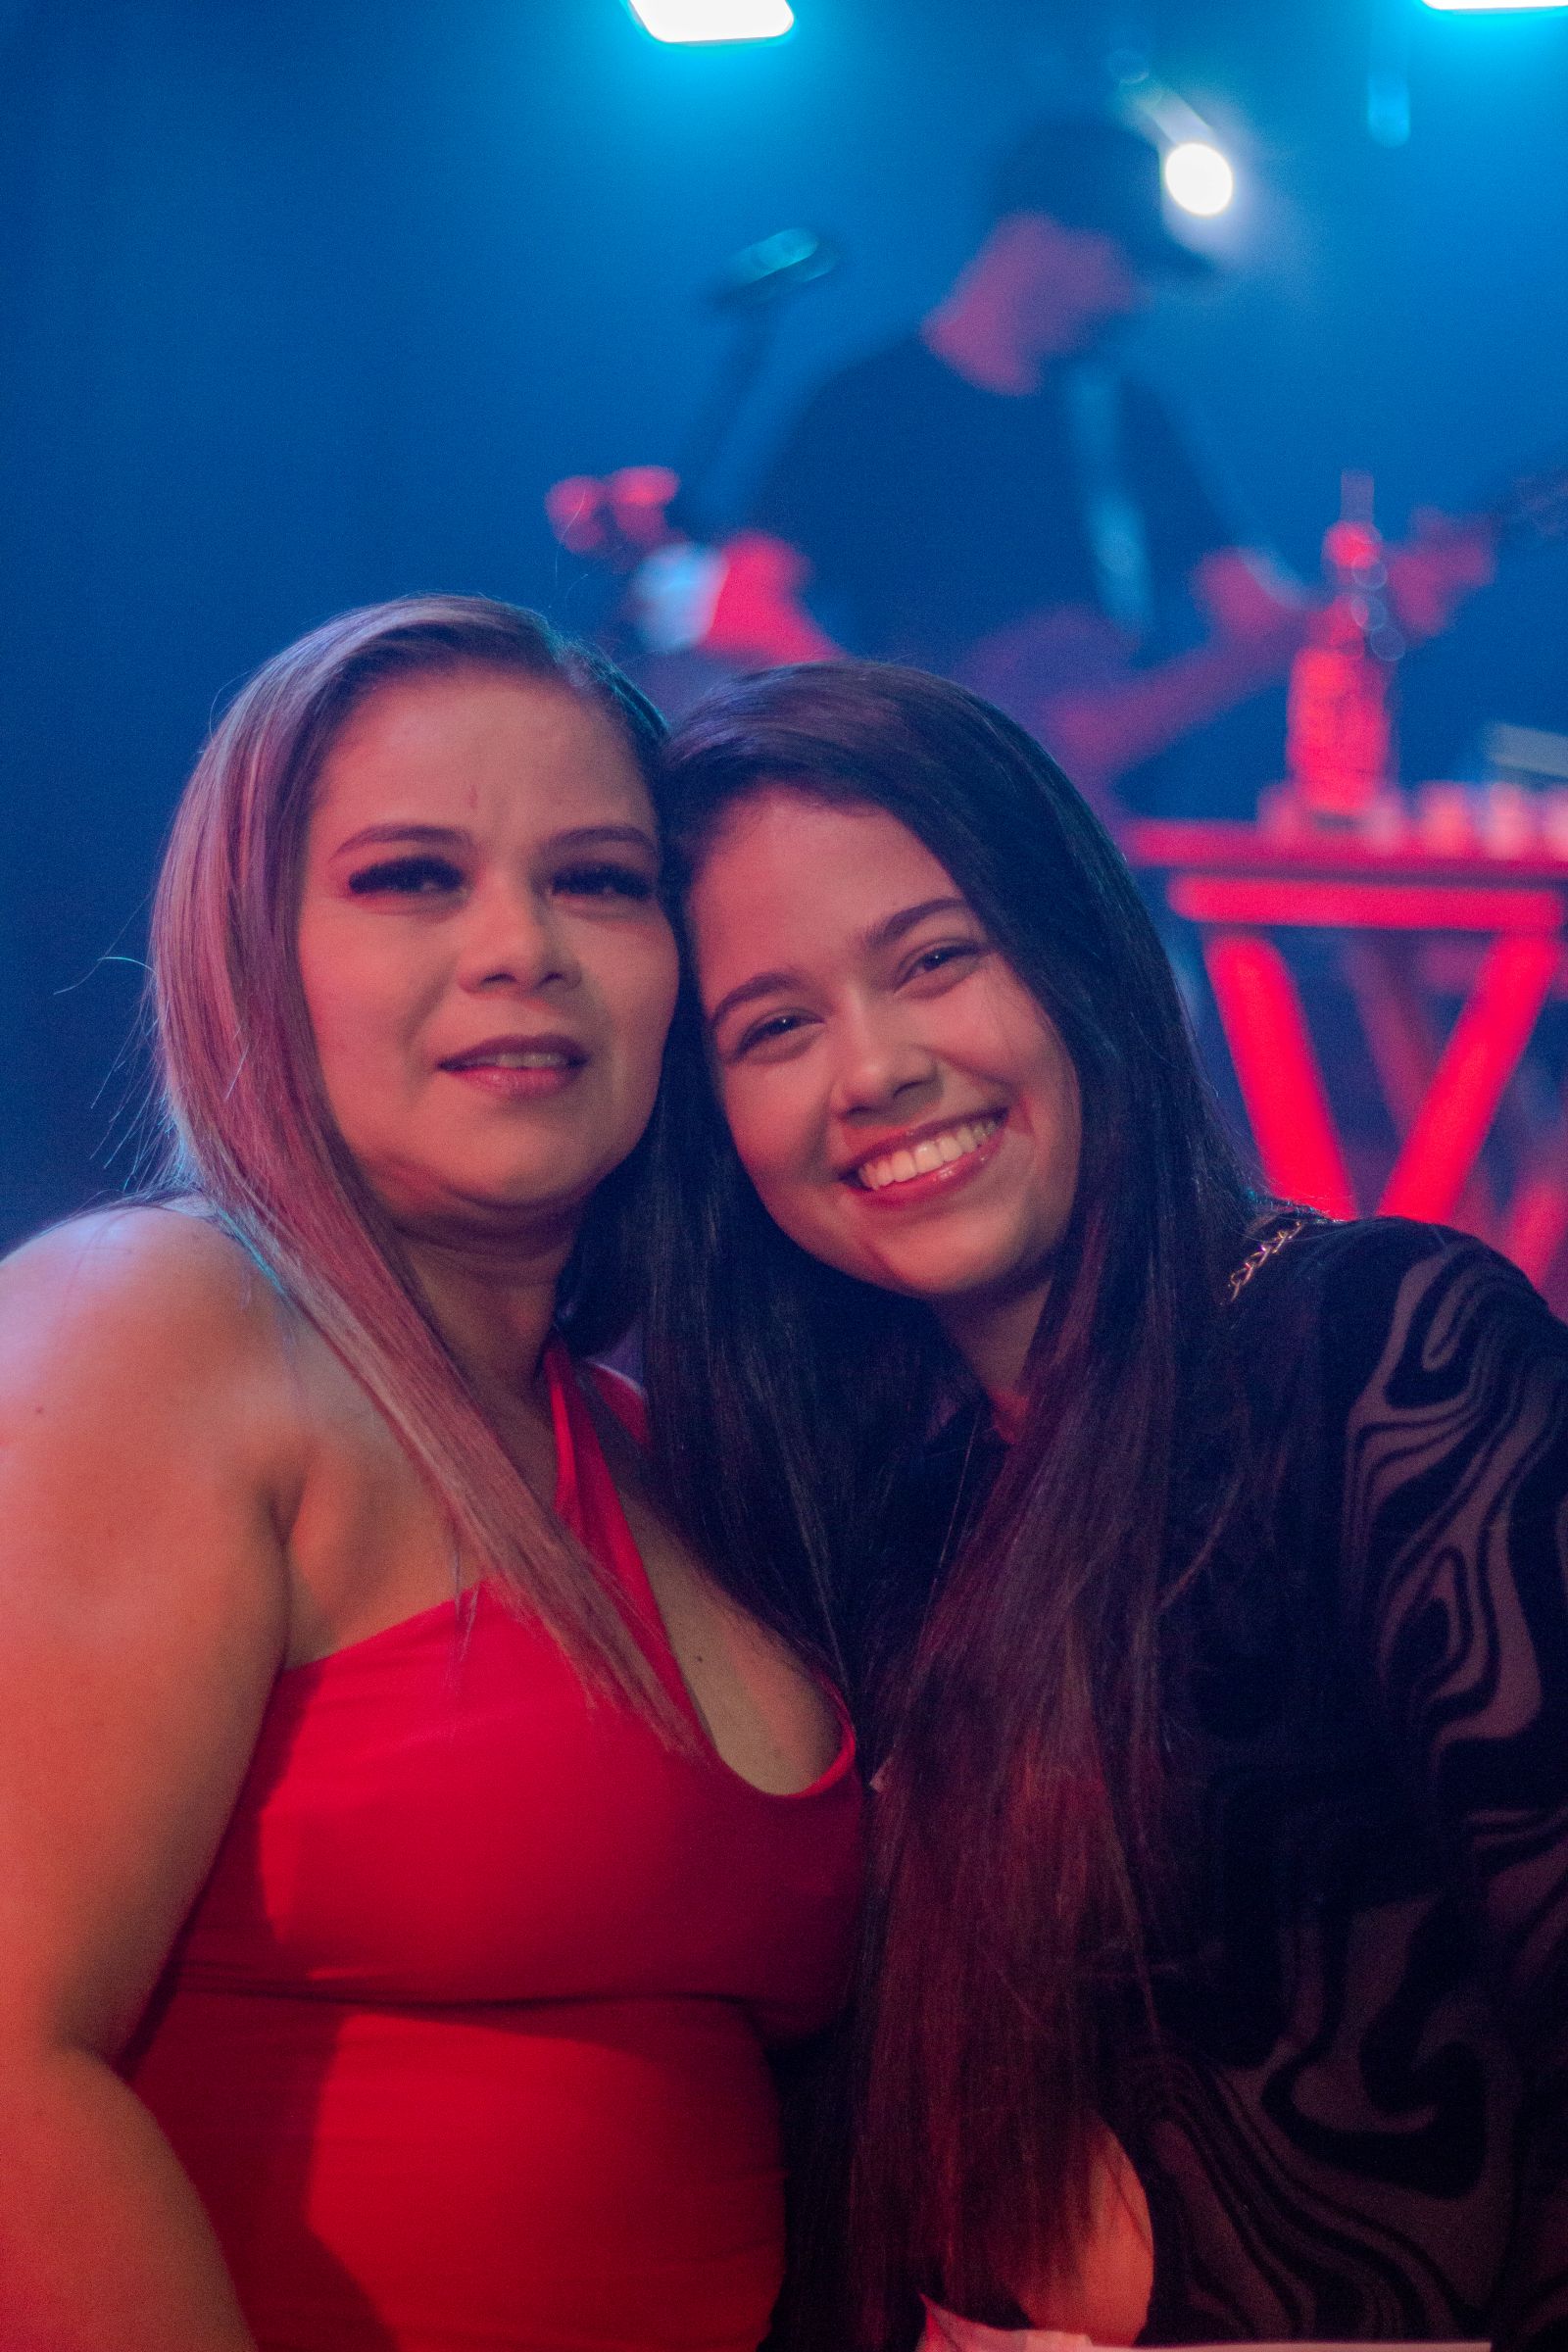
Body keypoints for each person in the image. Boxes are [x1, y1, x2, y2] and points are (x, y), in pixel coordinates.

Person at [638, 659, 1568, 2351]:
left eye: (934, 960)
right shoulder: (859, 1508)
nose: (873, 1069)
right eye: (773, 1028)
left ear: (1074, 950)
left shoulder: (1381, 1356)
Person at [0, 597, 862, 2352]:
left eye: (600, 880)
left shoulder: (658, 1445)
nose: (520, 947)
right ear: (254, 951)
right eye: (411, 877)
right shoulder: (159, 1322)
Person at [729, 116, 1490, 819]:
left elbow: (1260, 621)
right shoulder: (867, 404)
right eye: (1124, 264)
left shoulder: (1135, 419)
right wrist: (899, 743)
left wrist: (1378, 609)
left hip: (1107, 845)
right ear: (1037, 236)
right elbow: (741, 601)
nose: (1136, 300)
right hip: (928, 825)